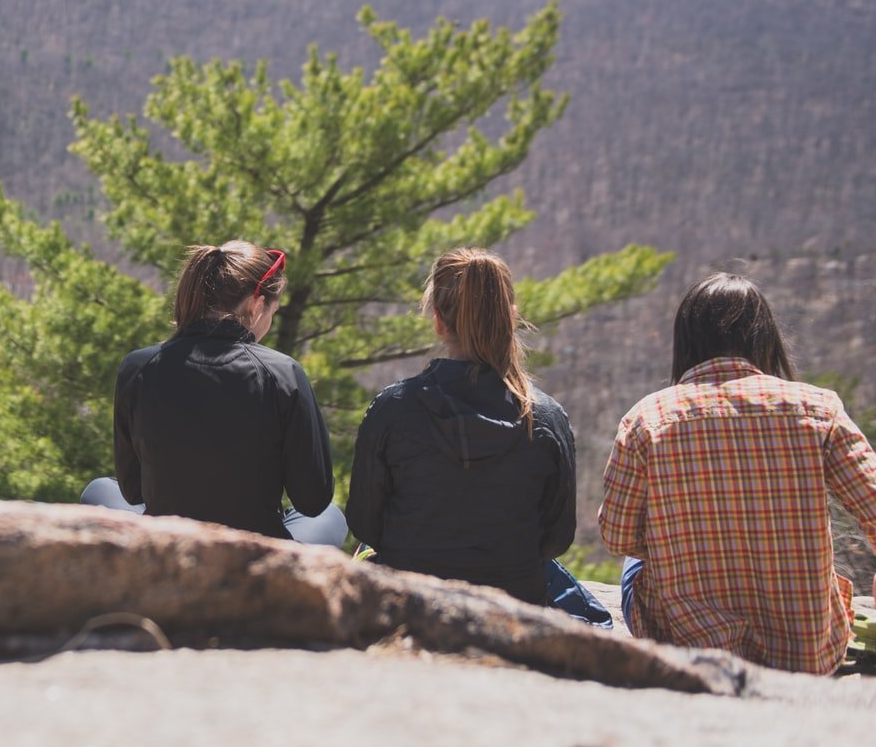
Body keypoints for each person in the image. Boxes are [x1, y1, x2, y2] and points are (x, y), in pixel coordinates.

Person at [599, 273, 876, 675]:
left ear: (686, 342)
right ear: (764, 338)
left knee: (636, 558)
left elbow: (617, 535)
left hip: (687, 646)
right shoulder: (817, 408)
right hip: (806, 652)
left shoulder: (647, 418)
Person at [346, 248, 594, 617]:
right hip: (513, 612)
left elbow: (365, 522)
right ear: (510, 318)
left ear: (438, 322)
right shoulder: (545, 417)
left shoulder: (394, 409)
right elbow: (556, 539)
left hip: (410, 606)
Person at [83, 240, 345, 546]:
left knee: (99, 489)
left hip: (167, 545)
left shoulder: (138, 367)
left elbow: (132, 491)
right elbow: (312, 500)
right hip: (255, 554)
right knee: (331, 516)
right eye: (273, 310)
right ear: (256, 303)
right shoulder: (283, 374)